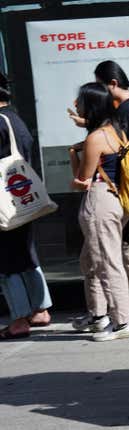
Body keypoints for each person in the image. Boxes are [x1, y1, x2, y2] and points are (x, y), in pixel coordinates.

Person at [70, 61, 129, 326]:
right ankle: (114, 313)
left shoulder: (123, 113)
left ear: (112, 83)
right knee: (107, 255)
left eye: (101, 85)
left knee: (125, 253)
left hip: (120, 192)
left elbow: (82, 179)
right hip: (127, 191)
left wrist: (84, 134)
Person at [69, 82, 129, 341]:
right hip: (114, 199)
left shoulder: (94, 139)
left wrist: (73, 155)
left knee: (107, 262)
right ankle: (98, 316)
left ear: (91, 106)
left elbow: (81, 179)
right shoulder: (114, 131)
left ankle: (121, 323)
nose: (78, 105)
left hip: (98, 200)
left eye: (81, 101)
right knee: (91, 260)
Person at [0, 72, 53, 340]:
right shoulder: (14, 118)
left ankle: (19, 319)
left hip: (4, 203)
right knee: (25, 254)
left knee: (7, 261)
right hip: (21, 199)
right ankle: (40, 309)